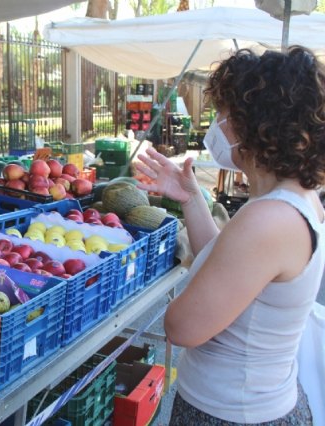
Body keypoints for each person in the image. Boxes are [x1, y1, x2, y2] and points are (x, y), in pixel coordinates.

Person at [135, 46, 325, 425]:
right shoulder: (292, 200)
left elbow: (182, 327)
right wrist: (190, 197)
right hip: (250, 404)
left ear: (255, 123)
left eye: (224, 113)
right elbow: (228, 268)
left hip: (234, 413)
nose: (218, 124)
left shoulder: (270, 219)